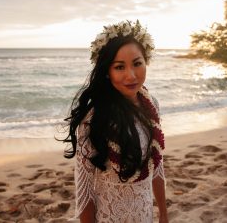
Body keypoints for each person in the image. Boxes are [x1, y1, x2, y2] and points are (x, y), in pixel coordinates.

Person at [63, 20, 168, 222]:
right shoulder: (95, 117)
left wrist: (163, 213)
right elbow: (85, 190)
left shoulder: (151, 105)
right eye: (119, 67)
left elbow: (157, 164)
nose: (131, 75)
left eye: (137, 63)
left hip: (145, 215)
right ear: (107, 72)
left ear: (146, 62)